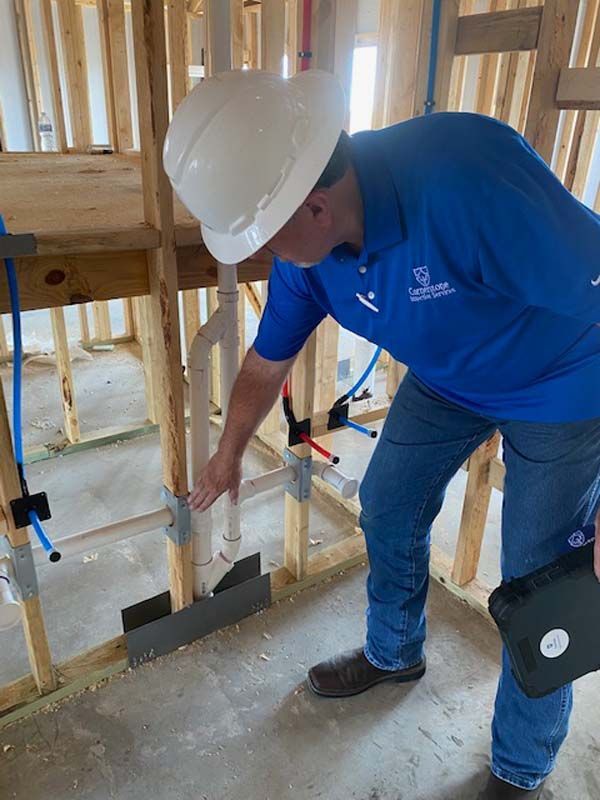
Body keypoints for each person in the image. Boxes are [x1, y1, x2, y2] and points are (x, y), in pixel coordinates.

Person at [164, 69, 600, 800]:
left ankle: (521, 768)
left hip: (562, 380)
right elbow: (267, 361)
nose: (266, 255)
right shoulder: (309, 257)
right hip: (447, 378)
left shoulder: (468, 179)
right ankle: (394, 652)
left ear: (314, 205)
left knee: (538, 583)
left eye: (265, 237)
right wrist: (228, 452)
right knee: (389, 506)